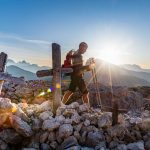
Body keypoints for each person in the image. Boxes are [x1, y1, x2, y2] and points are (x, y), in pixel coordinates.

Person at [62, 42, 91, 107]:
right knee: (85, 93)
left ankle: (61, 104)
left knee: (70, 91)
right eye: (85, 49)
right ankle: (87, 108)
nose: (86, 50)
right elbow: (78, 68)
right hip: (78, 77)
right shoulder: (78, 55)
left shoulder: (75, 54)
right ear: (81, 47)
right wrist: (89, 67)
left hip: (74, 76)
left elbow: (76, 67)